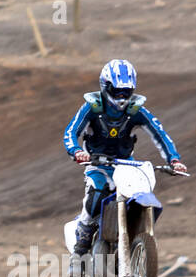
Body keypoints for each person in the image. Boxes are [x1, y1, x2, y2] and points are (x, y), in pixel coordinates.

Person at [62, 59, 187, 254]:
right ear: (105, 87)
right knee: (97, 192)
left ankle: (137, 238)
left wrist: (174, 159)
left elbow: (160, 134)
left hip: (126, 165)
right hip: (97, 163)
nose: (121, 97)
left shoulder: (137, 111)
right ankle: (82, 243)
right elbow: (70, 132)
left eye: (126, 92)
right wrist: (77, 151)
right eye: (117, 91)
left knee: (140, 194)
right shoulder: (92, 107)